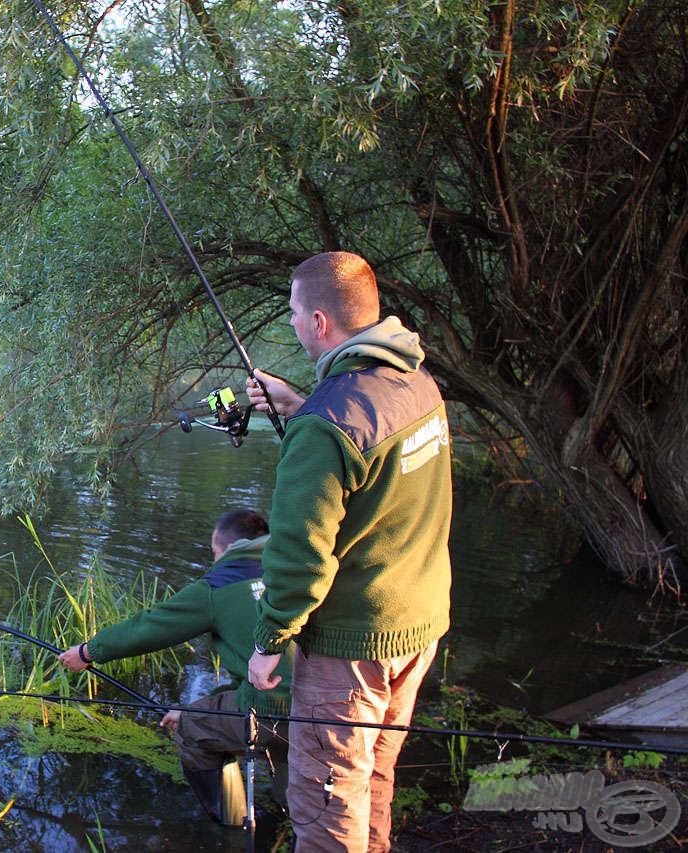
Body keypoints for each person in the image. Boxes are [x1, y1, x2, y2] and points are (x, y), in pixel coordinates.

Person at [245, 251, 452, 852]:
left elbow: (299, 557)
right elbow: (376, 467)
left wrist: (269, 641)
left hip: (352, 649)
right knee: (372, 782)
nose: (289, 323)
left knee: (327, 802)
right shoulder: (415, 381)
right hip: (417, 627)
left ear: (318, 322)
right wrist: (300, 404)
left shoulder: (324, 426)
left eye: (291, 313)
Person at [58, 509, 292, 827]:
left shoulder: (218, 586)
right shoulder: (299, 569)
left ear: (225, 547)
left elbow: (152, 626)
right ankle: (289, 812)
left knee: (192, 731)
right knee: (300, 780)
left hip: (272, 708)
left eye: (213, 551)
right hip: (335, 702)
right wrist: (195, 707)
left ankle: (234, 822)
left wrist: (87, 652)